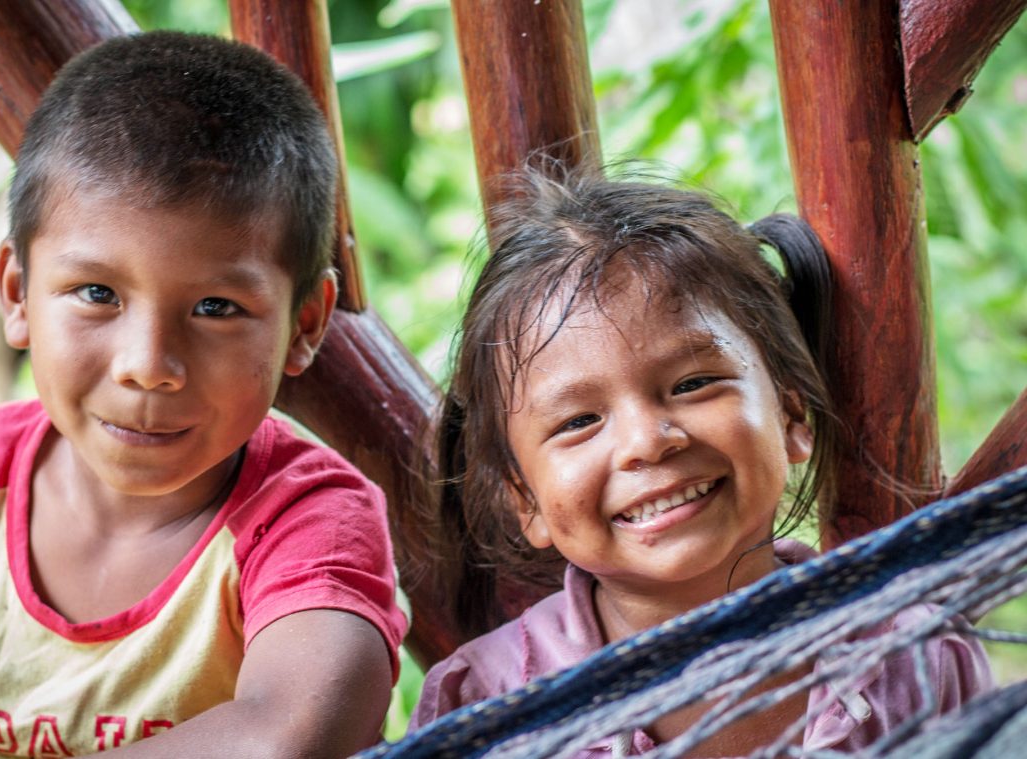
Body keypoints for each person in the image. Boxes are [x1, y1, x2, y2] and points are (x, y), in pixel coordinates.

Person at [0, 30, 407, 758]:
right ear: (17, 292)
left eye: (217, 308)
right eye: (97, 293)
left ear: (304, 323)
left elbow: (290, 731)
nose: (149, 365)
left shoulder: (308, 521)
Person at [409, 164, 992, 755]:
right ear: (525, 498)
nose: (647, 441)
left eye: (693, 384)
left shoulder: (913, 660)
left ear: (792, 417)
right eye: (579, 422)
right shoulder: (484, 710)